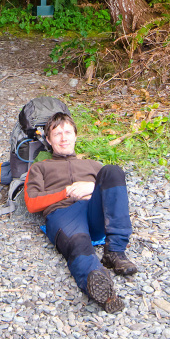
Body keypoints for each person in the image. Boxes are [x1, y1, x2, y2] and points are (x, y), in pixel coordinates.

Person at [23, 112, 138, 313]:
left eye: (68, 132)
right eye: (57, 134)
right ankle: (100, 287)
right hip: (64, 214)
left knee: (113, 171)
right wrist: (66, 191)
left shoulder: (93, 166)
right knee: (79, 246)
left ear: (76, 136)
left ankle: (115, 252)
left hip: (94, 213)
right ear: (48, 140)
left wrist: (91, 187)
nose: (63, 137)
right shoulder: (40, 167)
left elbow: (114, 192)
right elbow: (32, 204)